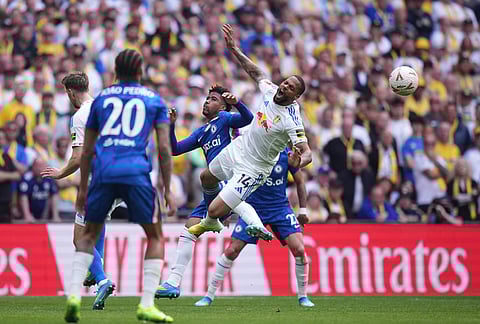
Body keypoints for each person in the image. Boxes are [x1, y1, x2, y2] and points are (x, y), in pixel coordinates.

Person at [64, 49, 175, 323]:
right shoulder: (154, 100)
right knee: (156, 237)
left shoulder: (100, 100)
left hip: (103, 174)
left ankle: (74, 298)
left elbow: (87, 150)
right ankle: (147, 304)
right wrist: (166, 187)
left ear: (115, 71)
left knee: (86, 236)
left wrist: (82, 190)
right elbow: (163, 148)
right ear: (140, 72)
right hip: (136, 173)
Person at [188, 24, 312, 239]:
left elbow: (306, 151)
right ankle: (211, 222)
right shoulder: (271, 90)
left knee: (215, 209)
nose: (284, 87)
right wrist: (234, 49)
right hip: (240, 148)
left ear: (296, 97)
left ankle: (213, 219)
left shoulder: (291, 120)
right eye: (285, 83)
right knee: (206, 177)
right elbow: (255, 71)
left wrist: (298, 161)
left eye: (291, 88)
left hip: (255, 168)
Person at [155, 85, 253, 298]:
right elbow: (175, 150)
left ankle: (242, 219)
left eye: (213, 99)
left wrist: (236, 102)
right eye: (207, 98)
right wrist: (171, 126)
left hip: (228, 184)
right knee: (189, 229)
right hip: (213, 188)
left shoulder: (227, 119)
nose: (207, 101)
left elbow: (248, 118)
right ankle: (173, 283)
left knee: (206, 177)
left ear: (223, 106)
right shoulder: (202, 131)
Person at [194, 149, 314, 307]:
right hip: (253, 208)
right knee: (231, 250)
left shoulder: (287, 155)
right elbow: (233, 182)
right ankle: (208, 296)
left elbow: (300, 181)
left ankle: (303, 297)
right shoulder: (252, 151)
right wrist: (227, 210)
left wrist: (303, 210)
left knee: (299, 249)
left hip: (280, 208)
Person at [41, 72, 115, 311]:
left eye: (66, 92)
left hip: (97, 181)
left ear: (71, 91)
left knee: (79, 238)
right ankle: (96, 275)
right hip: (118, 178)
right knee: (97, 227)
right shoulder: (105, 107)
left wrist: (59, 173)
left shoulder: (80, 115)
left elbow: (78, 156)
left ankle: (102, 279)